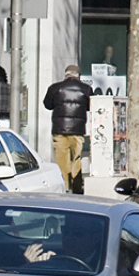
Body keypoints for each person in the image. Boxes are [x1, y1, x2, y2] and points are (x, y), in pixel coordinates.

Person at [43, 64, 90, 194]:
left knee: (61, 161)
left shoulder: (55, 88)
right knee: (76, 159)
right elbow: (89, 106)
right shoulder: (86, 89)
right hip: (78, 131)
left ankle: (64, 188)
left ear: (66, 74)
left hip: (59, 131)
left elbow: (47, 105)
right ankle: (77, 188)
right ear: (78, 76)